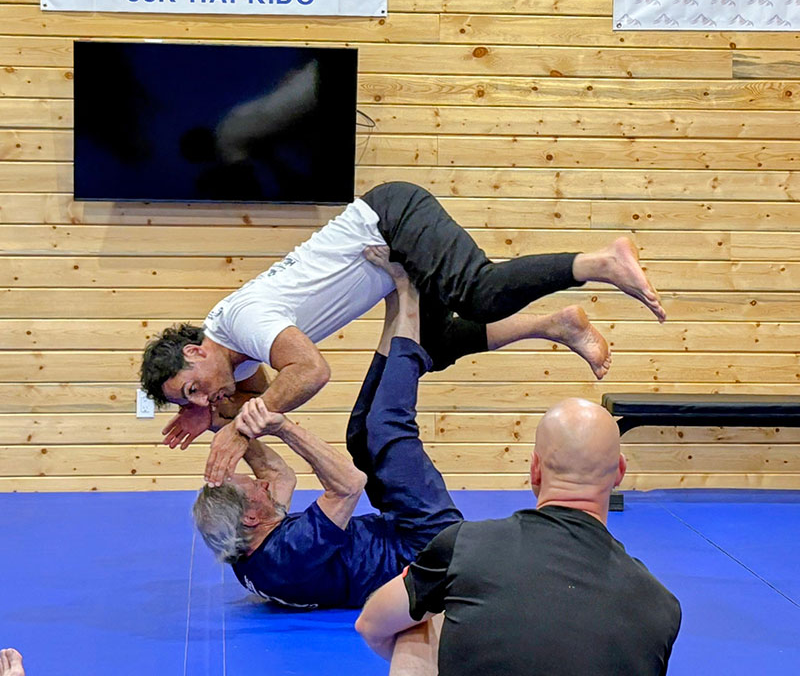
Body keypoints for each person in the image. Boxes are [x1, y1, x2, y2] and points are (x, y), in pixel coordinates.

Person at [140, 181, 664, 481]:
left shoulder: (243, 322)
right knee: (434, 344)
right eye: (189, 397)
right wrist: (211, 413)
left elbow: (309, 372)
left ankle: (599, 261)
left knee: (477, 291)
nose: (204, 394)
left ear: (194, 350)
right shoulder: (236, 361)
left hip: (391, 221)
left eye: (193, 386)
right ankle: (557, 324)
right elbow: (260, 400)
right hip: (393, 251)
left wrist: (234, 426)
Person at [192, 252, 464, 608]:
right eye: (252, 487)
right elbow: (350, 485)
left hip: (399, 529)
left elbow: (279, 475)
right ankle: (410, 295)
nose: (260, 483)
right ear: (251, 516)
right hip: (430, 546)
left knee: (361, 433)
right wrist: (283, 427)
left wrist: (224, 423)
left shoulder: (248, 548)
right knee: (386, 427)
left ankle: (400, 312)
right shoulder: (289, 554)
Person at [355, 398, 682, 676]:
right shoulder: (662, 607)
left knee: (418, 623)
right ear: (620, 472)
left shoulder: (466, 546)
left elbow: (371, 624)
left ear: (535, 469)